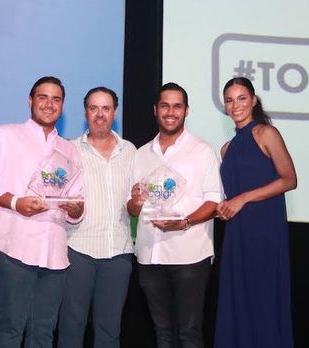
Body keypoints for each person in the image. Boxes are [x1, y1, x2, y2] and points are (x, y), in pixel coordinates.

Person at [0, 76, 85, 347]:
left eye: (56, 99)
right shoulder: (6, 134)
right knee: (10, 329)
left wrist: (75, 208)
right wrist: (17, 203)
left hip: (54, 254)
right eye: (43, 97)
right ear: (30, 101)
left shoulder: (69, 149)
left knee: (43, 333)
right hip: (13, 247)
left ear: (62, 106)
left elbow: (77, 202)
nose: (49, 105)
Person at [127, 82, 223, 348]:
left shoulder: (202, 151)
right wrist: (135, 202)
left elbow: (214, 200)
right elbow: (132, 208)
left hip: (190, 256)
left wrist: (184, 223)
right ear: (155, 110)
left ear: (186, 111)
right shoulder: (142, 153)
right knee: (162, 333)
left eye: (177, 106)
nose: (171, 112)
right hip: (149, 255)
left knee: (189, 333)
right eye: (165, 106)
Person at [214, 77, 297, 348]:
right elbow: (231, 194)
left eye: (241, 98)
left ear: (253, 100)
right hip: (237, 234)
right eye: (229, 100)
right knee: (239, 299)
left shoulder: (266, 134)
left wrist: (242, 199)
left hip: (264, 232)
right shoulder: (226, 148)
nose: (235, 105)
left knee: (263, 299)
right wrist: (224, 207)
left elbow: (289, 179)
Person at [58, 87, 136, 348]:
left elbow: (132, 202)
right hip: (77, 250)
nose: (100, 114)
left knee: (109, 331)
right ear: (85, 113)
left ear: (115, 112)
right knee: (71, 327)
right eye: (94, 108)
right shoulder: (68, 150)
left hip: (119, 253)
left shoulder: (131, 151)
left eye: (105, 108)